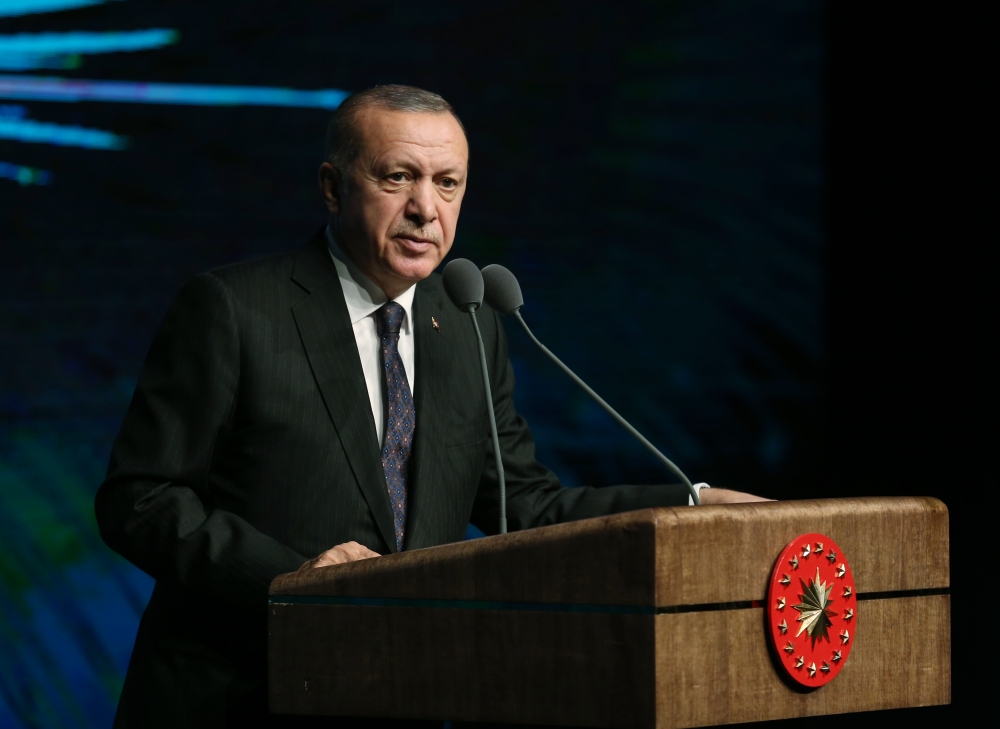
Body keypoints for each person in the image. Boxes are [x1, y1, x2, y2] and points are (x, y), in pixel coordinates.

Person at [95, 85, 766, 728]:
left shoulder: (468, 322)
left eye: (447, 183)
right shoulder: (234, 309)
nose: (425, 208)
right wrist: (288, 580)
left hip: (402, 696)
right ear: (332, 186)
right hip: (238, 699)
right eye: (398, 178)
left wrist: (691, 507)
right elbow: (140, 498)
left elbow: (525, 506)